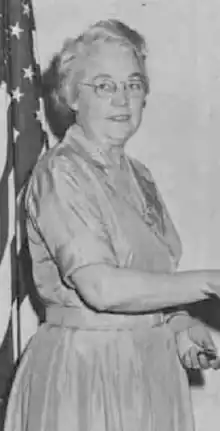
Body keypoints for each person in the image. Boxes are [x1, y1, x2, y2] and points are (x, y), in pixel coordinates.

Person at [3, 19, 220, 431]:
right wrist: (208, 282)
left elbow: (148, 279)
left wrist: (178, 325)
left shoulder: (139, 175)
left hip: (151, 372)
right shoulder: (60, 173)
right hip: (85, 374)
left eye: (133, 84)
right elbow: (101, 287)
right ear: (71, 97)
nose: (122, 99)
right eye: (104, 85)